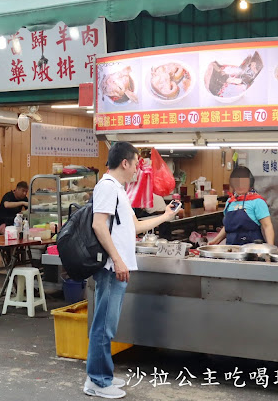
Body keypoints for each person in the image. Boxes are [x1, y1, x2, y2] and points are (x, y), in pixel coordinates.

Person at [84, 142, 177, 399]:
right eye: (136, 162)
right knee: (104, 325)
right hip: (111, 268)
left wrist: (165, 217)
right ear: (124, 163)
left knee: (107, 324)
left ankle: (102, 374)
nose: (138, 168)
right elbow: (99, 225)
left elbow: (134, 226)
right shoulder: (106, 187)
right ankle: (97, 381)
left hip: (118, 266)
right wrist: (118, 260)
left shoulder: (119, 190)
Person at [208, 166, 274, 246]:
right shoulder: (230, 201)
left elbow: (267, 226)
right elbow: (229, 227)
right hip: (231, 250)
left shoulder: (257, 201)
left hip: (253, 251)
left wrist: (270, 248)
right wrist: (215, 241)